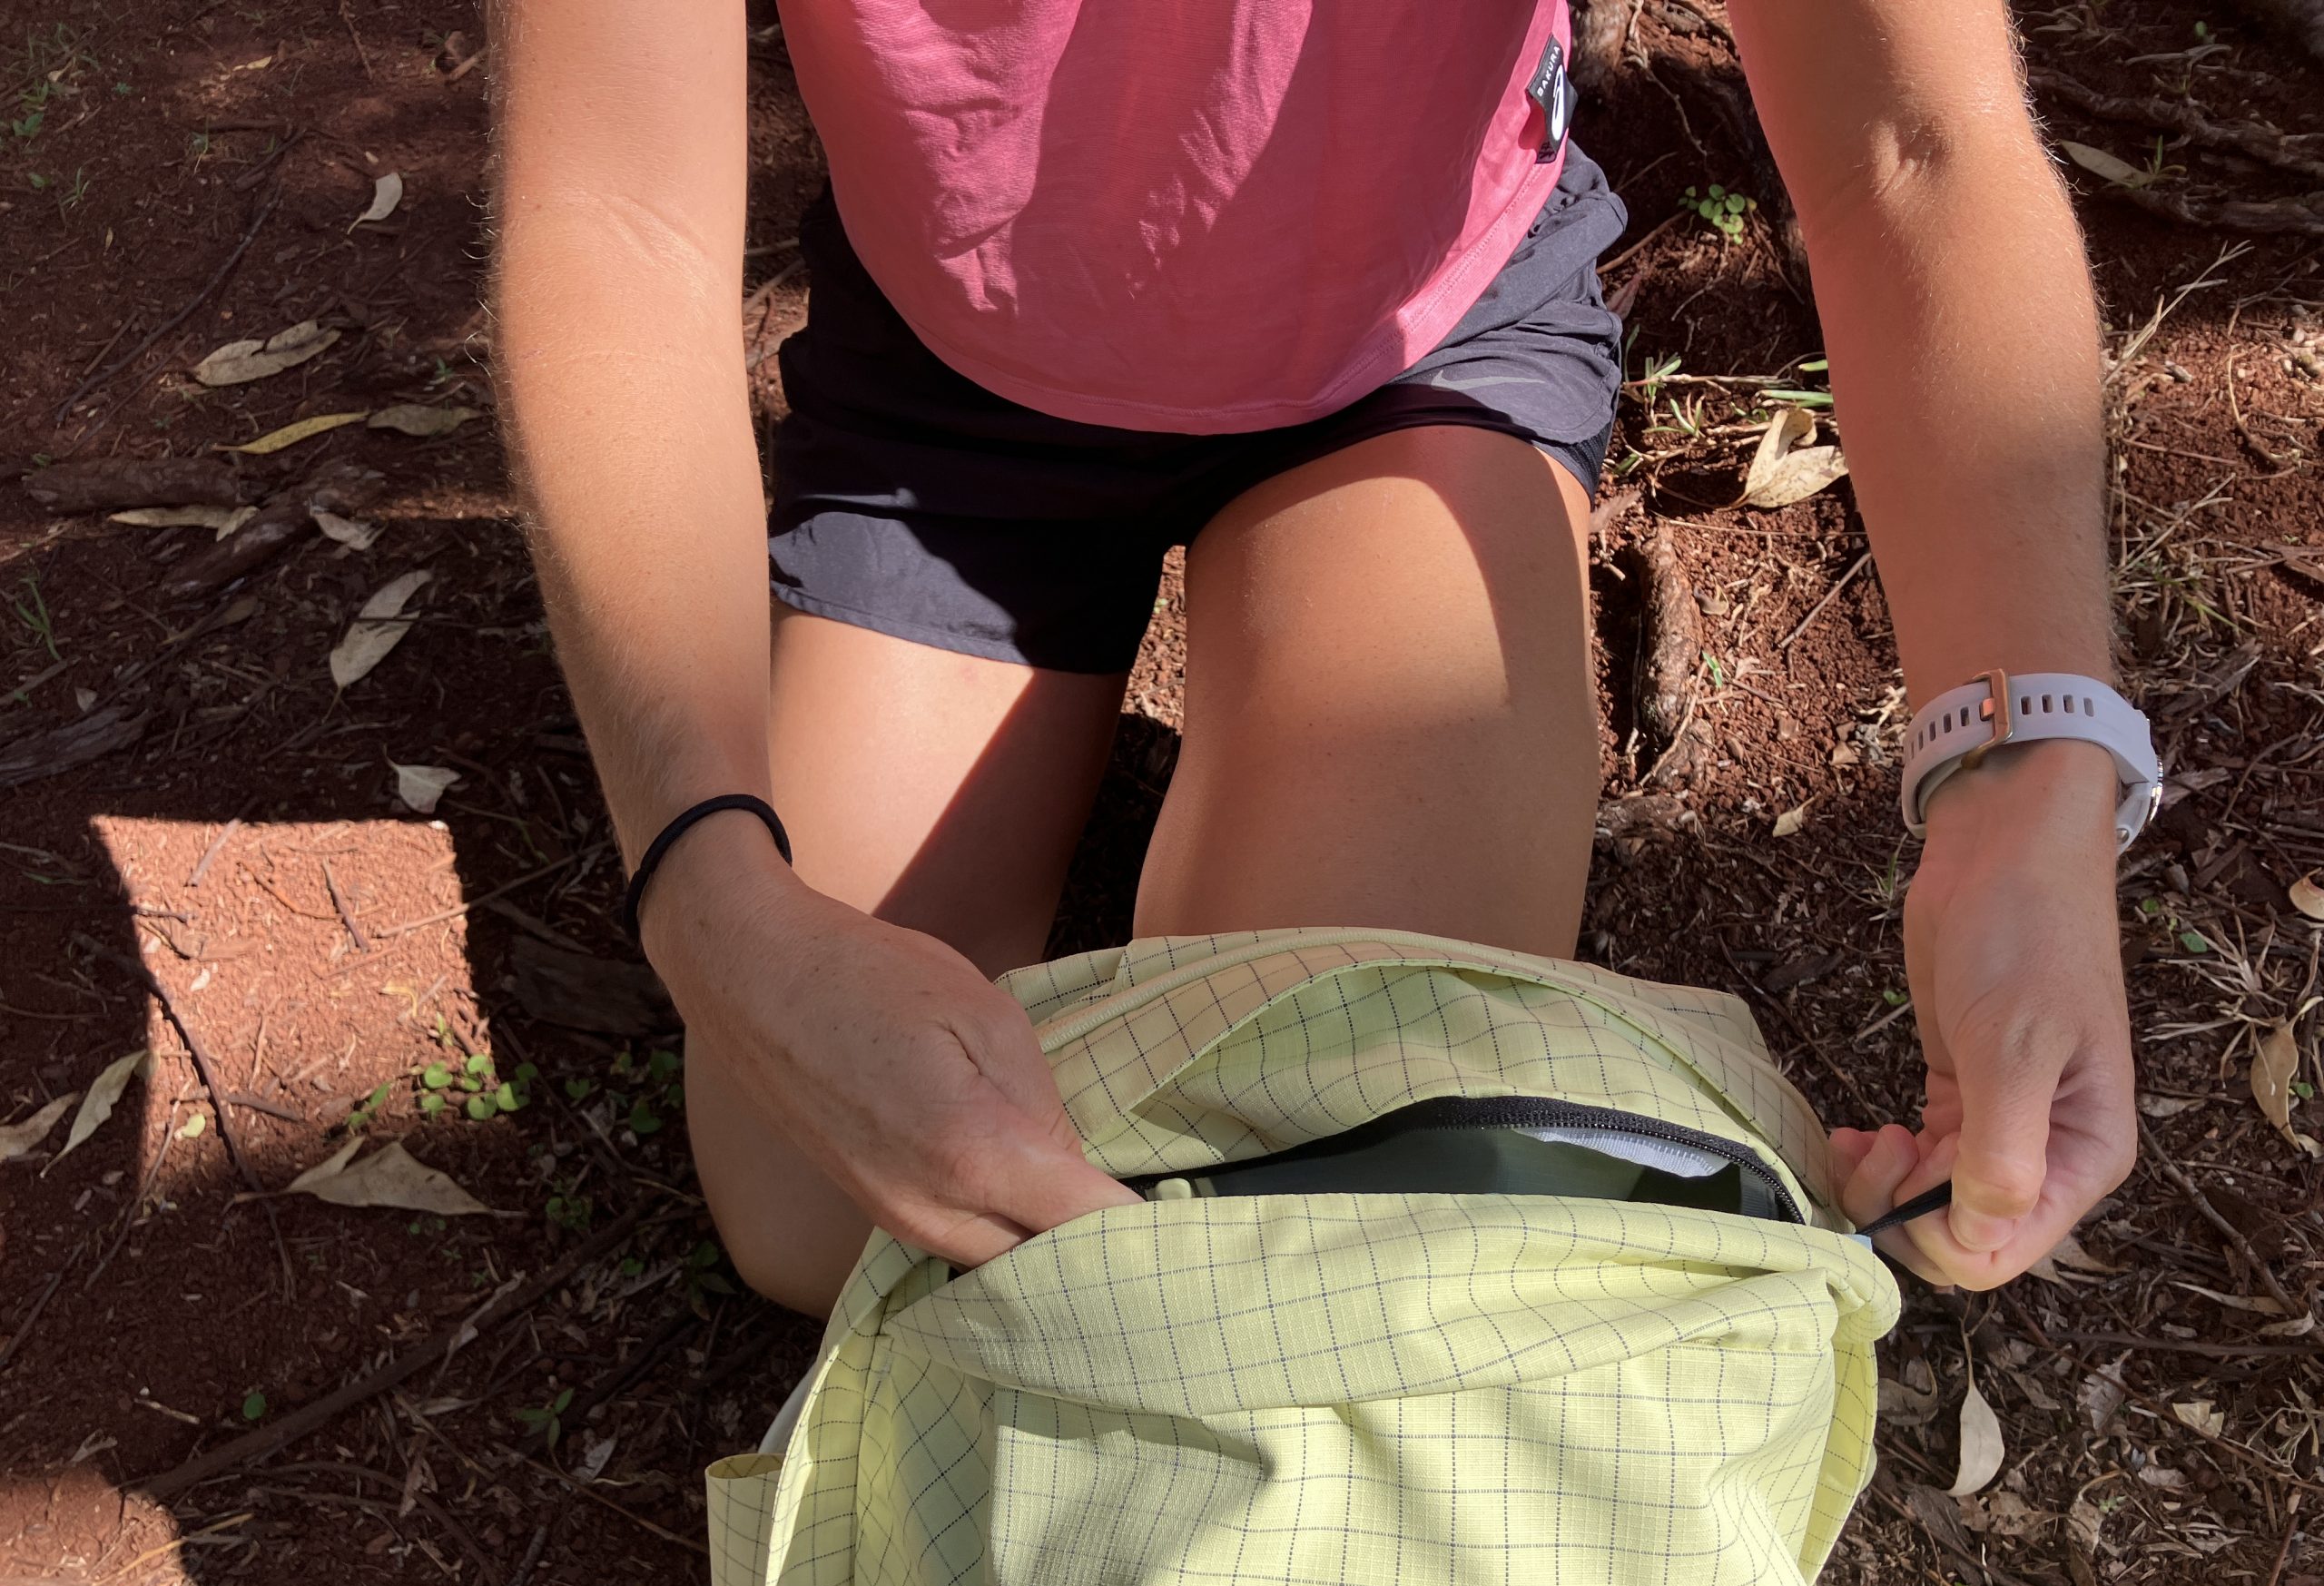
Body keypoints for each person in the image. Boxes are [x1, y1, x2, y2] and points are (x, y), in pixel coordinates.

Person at [487, 0, 2145, 1322]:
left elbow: (1912, 144)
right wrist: (722, 913)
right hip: (955, 383)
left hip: (1414, 355)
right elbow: (614, 218)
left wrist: (2032, 782)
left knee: (1312, 1159)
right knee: (807, 1216)